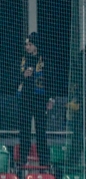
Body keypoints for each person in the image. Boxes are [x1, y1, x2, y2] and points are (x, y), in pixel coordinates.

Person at [17, 33, 53, 168]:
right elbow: (13, 77)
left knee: (41, 130)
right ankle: (23, 160)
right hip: (25, 99)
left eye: (30, 44)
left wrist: (51, 98)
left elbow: (51, 79)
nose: (27, 47)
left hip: (40, 99)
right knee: (24, 130)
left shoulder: (44, 60)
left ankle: (44, 161)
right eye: (26, 44)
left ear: (35, 46)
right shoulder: (23, 59)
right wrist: (23, 75)